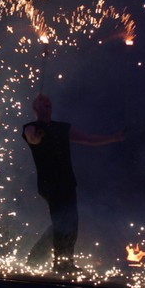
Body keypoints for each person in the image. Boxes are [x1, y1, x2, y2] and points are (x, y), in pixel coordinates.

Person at [22, 93, 124, 273]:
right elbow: (32, 138)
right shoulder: (31, 127)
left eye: (48, 101)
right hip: (49, 183)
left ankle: (44, 260)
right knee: (63, 221)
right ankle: (61, 264)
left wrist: (112, 138)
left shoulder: (62, 128)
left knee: (68, 222)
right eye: (42, 102)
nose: (47, 103)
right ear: (35, 108)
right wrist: (37, 137)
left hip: (67, 181)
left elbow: (87, 138)